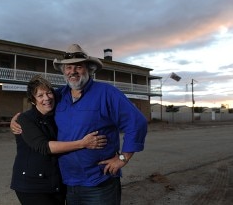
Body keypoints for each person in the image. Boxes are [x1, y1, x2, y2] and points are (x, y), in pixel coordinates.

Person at [10, 44, 147, 205]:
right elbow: (40, 105)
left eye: (78, 66)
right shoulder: (59, 96)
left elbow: (137, 122)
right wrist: (16, 120)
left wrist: (123, 158)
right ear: (64, 71)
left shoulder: (107, 93)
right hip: (69, 183)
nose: (72, 71)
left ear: (89, 69)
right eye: (68, 67)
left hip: (99, 181)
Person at [10, 75, 107, 205]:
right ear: (33, 101)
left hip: (56, 183)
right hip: (31, 185)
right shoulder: (25, 119)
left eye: (49, 93)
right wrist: (83, 143)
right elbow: (44, 147)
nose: (46, 98)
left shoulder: (56, 114)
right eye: (40, 96)